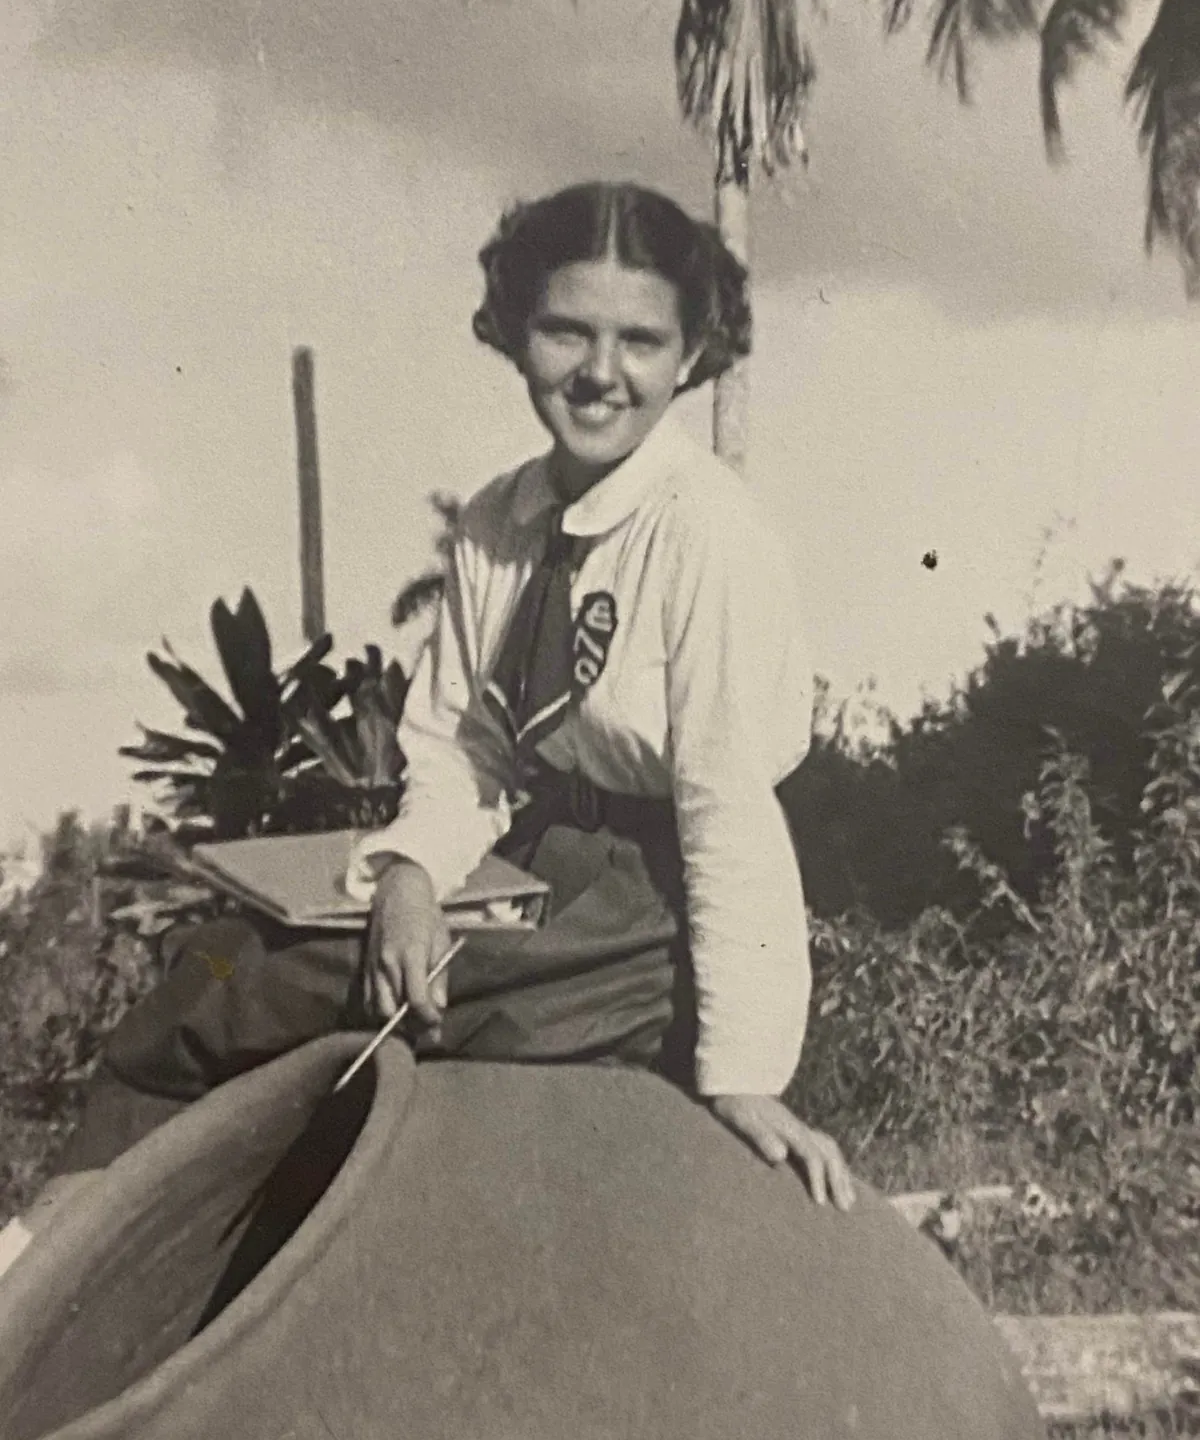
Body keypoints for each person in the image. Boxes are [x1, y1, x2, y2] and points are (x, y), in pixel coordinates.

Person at [58, 181, 852, 1210]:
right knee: (219, 957)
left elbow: (727, 805)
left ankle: (54, 1252)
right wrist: (412, 878)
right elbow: (467, 747)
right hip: (531, 860)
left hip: (643, 904)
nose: (602, 373)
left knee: (247, 994)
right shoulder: (499, 523)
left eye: (641, 342)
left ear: (693, 354)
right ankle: (60, 1249)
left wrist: (745, 1072)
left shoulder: (705, 533)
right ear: (516, 332)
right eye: (567, 331)